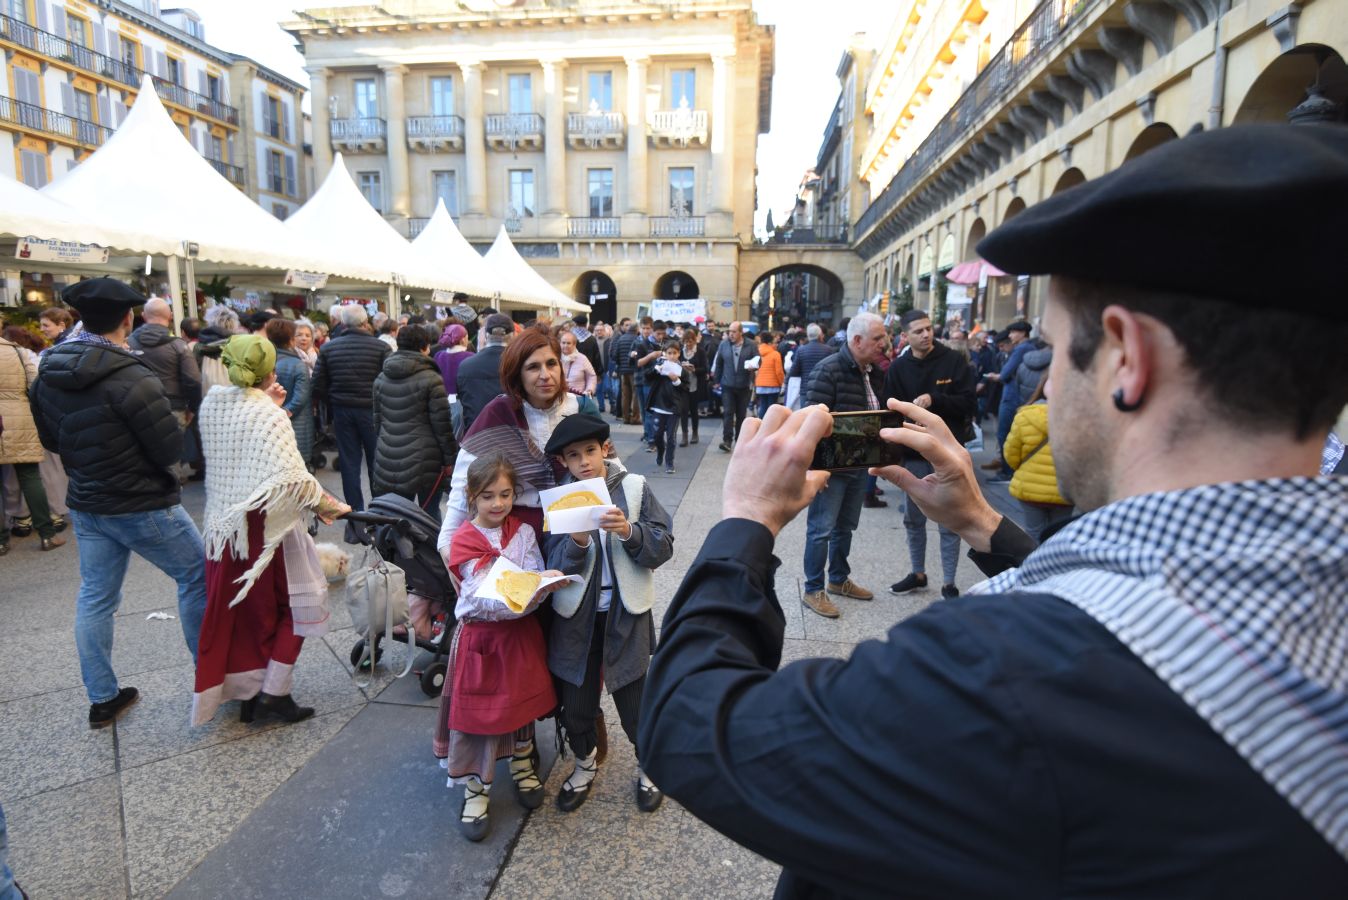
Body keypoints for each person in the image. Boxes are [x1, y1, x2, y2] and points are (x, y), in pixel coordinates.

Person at [636, 126, 1348, 897]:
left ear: (1126, 358)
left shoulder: (1005, 674)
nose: (1043, 389)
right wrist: (983, 523)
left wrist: (744, 518)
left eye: (1051, 349)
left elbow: (686, 724)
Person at [30, 278, 207, 728]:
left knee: (95, 598)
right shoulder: (132, 374)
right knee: (197, 576)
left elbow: (52, 439)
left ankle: (103, 697)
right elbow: (168, 449)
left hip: (88, 502)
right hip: (143, 501)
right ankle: (211, 678)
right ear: (128, 319)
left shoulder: (47, 369)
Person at [193, 335, 350, 726]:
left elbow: (245, 450)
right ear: (269, 372)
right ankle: (273, 693)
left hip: (227, 528)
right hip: (268, 530)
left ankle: (248, 693)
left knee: (245, 614)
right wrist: (334, 508)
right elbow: (293, 478)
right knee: (296, 604)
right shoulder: (268, 414)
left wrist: (270, 404)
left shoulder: (212, 403)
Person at [542, 414, 673, 814]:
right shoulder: (561, 500)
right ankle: (584, 763)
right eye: (573, 455)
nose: (583, 461)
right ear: (563, 462)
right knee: (577, 707)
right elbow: (553, 567)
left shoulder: (633, 488)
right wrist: (577, 543)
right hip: (576, 617)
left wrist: (629, 532)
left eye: (590, 451)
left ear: (606, 449)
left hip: (625, 614)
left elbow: (663, 544)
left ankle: (650, 765)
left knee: (635, 704)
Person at [437, 452, 560, 841]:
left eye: (505, 494)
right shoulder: (464, 540)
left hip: (519, 637)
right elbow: (477, 599)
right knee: (482, 718)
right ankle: (476, 790)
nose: (499, 504)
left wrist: (543, 582)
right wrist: (524, 594)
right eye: (489, 496)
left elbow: (532, 571)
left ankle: (523, 767)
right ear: (472, 496)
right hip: (482, 641)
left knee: (520, 706)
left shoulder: (523, 532)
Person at [439, 326, 601, 544]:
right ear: (517, 374)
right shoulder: (499, 412)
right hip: (514, 535)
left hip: (576, 528)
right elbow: (464, 483)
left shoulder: (580, 406)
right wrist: (446, 540)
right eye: (533, 367)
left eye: (551, 364)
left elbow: (610, 469)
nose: (546, 375)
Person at [793, 312, 885, 618]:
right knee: (821, 529)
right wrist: (818, 469)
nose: (884, 343)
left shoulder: (872, 371)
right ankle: (813, 589)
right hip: (832, 468)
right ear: (857, 340)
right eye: (878, 338)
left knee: (846, 527)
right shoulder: (828, 369)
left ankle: (838, 580)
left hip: (860, 463)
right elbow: (810, 421)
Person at [884, 308, 976, 599]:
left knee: (949, 520)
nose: (926, 335)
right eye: (918, 331)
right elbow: (890, 412)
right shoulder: (898, 369)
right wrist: (893, 455)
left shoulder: (952, 360)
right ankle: (917, 572)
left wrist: (935, 399)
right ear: (904, 336)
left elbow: (969, 402)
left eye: (928, 329)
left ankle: (949, 582)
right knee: (914, 518)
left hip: (948, 453)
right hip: (913, 455)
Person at [311, 304, 389, 540]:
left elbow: (317, 384)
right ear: (366, 322)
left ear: (342, 323)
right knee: (377, 463)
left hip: (343, 411)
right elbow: (388, 380)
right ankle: (379, 515)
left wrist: (334, 401)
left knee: (349, 464)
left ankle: (356, 518)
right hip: (372, 411)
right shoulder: (381, 347)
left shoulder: (329, 348)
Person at [372, 324, 457, 508]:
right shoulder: (432, 379)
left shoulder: (381, 378)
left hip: (388, 454)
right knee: (429, 513)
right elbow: (442, 426)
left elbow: (377, 422)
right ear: (425, 347)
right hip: (426, 459)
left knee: (398, 514)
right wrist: (450, 459)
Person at [0, 320, 64, 555]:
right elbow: (35, 387)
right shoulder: (18, 353)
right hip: (19, 418)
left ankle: (1, 540)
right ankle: (47, 534)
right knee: (29, 476)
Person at [128, 298, 202, 482]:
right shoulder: (178, 346)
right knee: (171, 456)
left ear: (144, 316)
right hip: (173, 407)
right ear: (170, 317)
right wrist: (192, 408)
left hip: (135, 407)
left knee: (141, 457)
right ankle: (171, 498)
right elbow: (193, 380)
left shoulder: (128, 344)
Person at [1004, 372, 1074, 540]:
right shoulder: (1079, 419)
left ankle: (1032, 564)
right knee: (1059, 536)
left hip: (1030, 487)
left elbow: (1011, 453)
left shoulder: (1025, 416)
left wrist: (1025, 468)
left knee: (1033, 533)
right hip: (1064, 490)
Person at [981, 320, 1033, 478]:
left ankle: (1007, 471)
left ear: (1022, 333)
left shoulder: (1021, 349)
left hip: (1011, 396)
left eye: (1013, 332)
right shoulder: (1030, 347)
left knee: (1004, 433)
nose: (1010, 336)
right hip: (1020, 395)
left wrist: (994, 376)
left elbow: (1004, 374)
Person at [266, 318, 316, 469]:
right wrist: (287, 412)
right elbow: (302, 396)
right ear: (291, 340)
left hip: (270, 419)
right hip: (297, 422)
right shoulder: (298, 365)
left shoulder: (266, 361)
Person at [455, 313, 514, 434]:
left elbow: (463, 400)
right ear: (512, 335)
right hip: (512, 435)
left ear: (486, 335)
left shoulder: (466, 366)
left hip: (475, 436)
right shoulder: (520, 364)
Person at [711, 321, 756, 452]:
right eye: (729, 331)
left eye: (734, 332)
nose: (731, 334)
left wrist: (755, 365)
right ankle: (727, 441)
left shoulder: (751, 345)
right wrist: (716, 380)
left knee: (741, 415)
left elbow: (758, 359)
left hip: (744, 385)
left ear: (741, 332)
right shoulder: (723, 344)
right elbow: (719, 363)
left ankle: (740, 441)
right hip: (727, 385)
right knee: (728, 413)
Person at [647, 341, 686, 475]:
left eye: (674, 353)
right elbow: (648, 377)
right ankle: (660, 451)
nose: (672, 356)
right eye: (669, 353)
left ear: (679, 354)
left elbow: (686, 389)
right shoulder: (660, 365)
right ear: (665, 354)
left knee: (671, 437)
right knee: (657, 435)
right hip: (659, 406)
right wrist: (656, 369)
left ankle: (669, 462)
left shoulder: (681, 369)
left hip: (674, 408)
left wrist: (676, 381)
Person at [788, 323, 833, 409]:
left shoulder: (801, 350)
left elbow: (793, 372)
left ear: (808, 336)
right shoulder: (828, 350)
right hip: (824, 389)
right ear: (820, 335)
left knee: (805, 417)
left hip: (806, 389)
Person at [677, 327, 707, 445]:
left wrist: (694, 369)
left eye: (690, 341)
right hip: (683, 385)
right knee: (683, 410)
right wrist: (681, 367)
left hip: (695, 385)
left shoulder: (700, 351)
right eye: (686, 341)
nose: (688, 344)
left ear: (695, 341)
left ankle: (695, 433)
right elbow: (675, 364)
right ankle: (684, 435)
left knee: (694, 410)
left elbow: (705, 369)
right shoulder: (680, 351)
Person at [611, 319, 643, 425]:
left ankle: (625, 417)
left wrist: (620, 365)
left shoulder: (621, 338)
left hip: (623, 371)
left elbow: (615, 355)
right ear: (637, 329)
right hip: (634, 370)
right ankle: (635, 417)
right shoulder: (638, 339)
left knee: (625, 395)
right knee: (635, 394)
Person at [753, 332, 785, 418]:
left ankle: (761, 423)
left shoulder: (757, 352)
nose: (777, 345)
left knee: (763, 405)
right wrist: (781, 382)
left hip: (760, 384)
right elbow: (779, 372)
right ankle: (770, 426)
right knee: (772, 408)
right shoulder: (775, 354)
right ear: (770, 343)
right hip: (773, 385)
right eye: (775, 343)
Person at [558, 328, 597, 397]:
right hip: (560, 398)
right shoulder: (555, 358)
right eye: (563, 343)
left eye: (568, 343)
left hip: (578, 398)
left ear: (574, 344)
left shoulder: (582, 358)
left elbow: (591, 376)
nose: (565, 346)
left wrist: (589, 390)